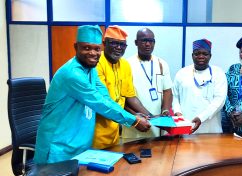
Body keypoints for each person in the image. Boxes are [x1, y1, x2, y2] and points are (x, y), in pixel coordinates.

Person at [34, 25, 151, 164]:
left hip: (78, 143)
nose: (93, 53)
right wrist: (134, 121)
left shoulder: (90, 69)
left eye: (96, 49)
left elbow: (105, 98)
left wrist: (134, 116)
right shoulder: (73, 74)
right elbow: (100, 104)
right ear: (76, 47)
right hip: (57, 146)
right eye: (86, 48)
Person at [93, 25, 151, 149]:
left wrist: (150, 117)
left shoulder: (125, 65)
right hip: (94, 132)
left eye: (122, 45)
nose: (119, 48)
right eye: (114, 43)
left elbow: (130, 97)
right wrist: (134, 121)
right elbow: (104, 103)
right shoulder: (97, 63)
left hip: (114, 131)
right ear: (104, 43)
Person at [122, 28, 173, 139]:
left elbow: (167, 90)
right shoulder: (126, 65)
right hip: (136, 124)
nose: (148, 44)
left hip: (159, 124)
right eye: (144, 40)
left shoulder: (162, 63)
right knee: (135, 154)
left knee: (159, 155)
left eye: (151, 41)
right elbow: (123, 98)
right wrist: (136, 117)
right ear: (136, 42)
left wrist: (165, 110)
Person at [172, 39, 227, 133]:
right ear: (192, 55)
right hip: (186, 125)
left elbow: (219, 101)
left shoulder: (218, 73)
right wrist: (177, 112)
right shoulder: (182, 73)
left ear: (210, 56)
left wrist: (201, 118)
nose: (201, 56)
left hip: (211, 128)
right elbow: (174, 96)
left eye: (205, 54)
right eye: (197, 54)